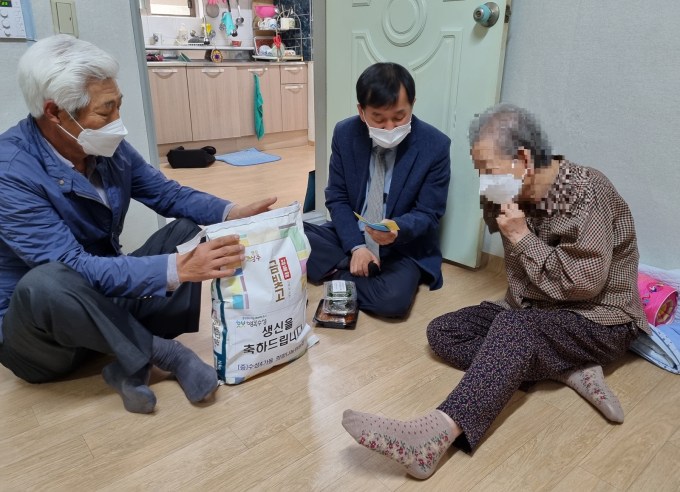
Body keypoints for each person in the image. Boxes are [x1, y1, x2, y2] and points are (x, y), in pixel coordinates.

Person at [341, 104, 649, 479]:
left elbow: (584, 283)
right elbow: (521, 284)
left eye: (489, 171)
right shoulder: (512, 195)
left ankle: (433, 437)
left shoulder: (587, 192)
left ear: (522, 159)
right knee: (443, 332)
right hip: (539, 312)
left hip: (599, 319)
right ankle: (567, 368)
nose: (485, 183)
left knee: (514, 331)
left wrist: (520, 237)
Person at [0, 35, 276, 414]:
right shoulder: (9, 172)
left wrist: (231, 212)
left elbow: (168, 194)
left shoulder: (104, 148)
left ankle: (128, 359)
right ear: (54, 112)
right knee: (46, 281)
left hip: (104, 302)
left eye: (118, 106)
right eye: (105, 111)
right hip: (45, 338)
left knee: (186, 231)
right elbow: (75, 269)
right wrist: (178, 268)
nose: (118, 122)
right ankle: (163, 352)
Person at [304, 63, 451, 318]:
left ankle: (338, 270)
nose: (390, 127)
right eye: (379, 119)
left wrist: (396, 229)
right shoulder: (345, 133)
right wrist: (356, 247)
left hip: (401, 245)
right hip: (351, 234)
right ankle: (357, 264)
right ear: (362, 111)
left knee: (392, 301)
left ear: (412, 105)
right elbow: (337, 197)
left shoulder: (435, 145)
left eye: (399, 116)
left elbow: (429, 213)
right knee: (291, 234)